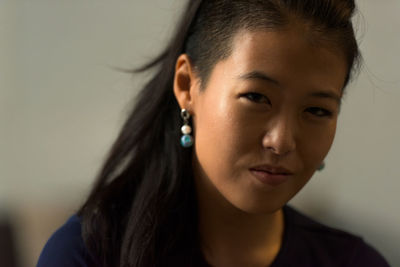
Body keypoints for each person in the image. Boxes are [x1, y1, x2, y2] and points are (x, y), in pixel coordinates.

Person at [37, 0, 390, 266]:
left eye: (317, 110)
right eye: (256, 97)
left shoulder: (356, 261)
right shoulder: (87, 255)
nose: (282, 141)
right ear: (187, 84)